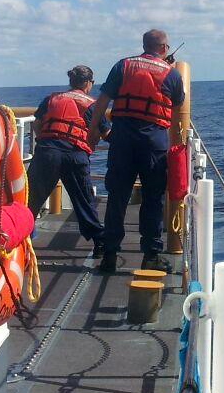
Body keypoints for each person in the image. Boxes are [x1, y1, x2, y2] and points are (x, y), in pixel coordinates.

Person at [88, 29, 185, 274]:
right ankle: (151, 255)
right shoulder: (171, 74)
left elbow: (102, 102)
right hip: (153, 145)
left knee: (117, 197)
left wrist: (93, 130)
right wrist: (166, 67)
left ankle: (109, 254)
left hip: (122, 141)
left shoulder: (123, 66)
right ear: (164, 49)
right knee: (153, 199)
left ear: (144, 45)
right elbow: (178, 102)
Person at [27, 65, 110, 256]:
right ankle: (99, 243)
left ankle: (23, 240)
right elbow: (107, 133)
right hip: (75, 155)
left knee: (31, 200)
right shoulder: (92, 104)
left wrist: (45, 140)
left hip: (47, 152)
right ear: (89, 83)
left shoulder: (51, 98)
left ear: (70, 82)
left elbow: (37, 123)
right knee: (84, 201)